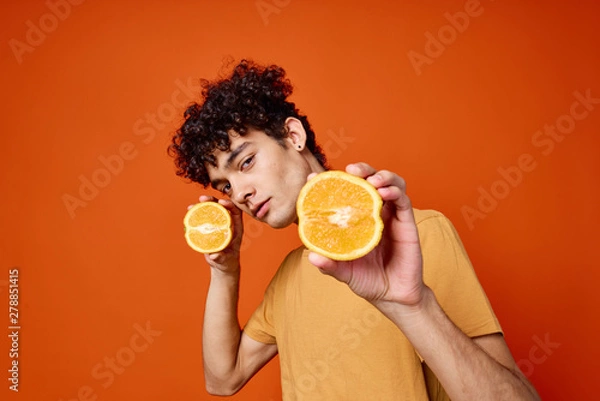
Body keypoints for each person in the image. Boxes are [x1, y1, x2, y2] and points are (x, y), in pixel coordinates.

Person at [168, 60, 540, 400]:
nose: (241, 193)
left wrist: (413, 306)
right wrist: (224, 268)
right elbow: (223, 379)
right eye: (226, 186)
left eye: (246, 161)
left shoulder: (418, 236)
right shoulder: (291, 275)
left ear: (293, 136)